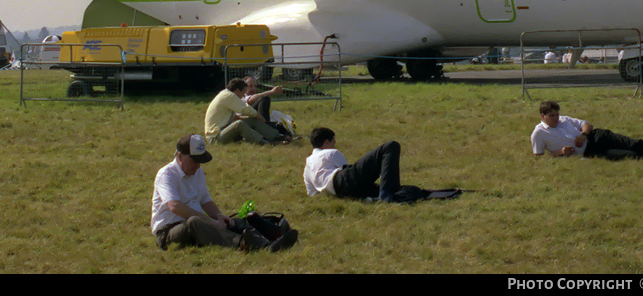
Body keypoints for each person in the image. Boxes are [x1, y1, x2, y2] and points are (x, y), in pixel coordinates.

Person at [151, 134, 298, 252]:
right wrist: (210, 221)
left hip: (199, 222)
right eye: (195, 160)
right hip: (168, 232)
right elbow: (174, 206)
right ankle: (246, 244)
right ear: (180, 156)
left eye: (200, 161)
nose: (198, 165)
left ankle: (271, 236)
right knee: (194, 222)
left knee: (234, 221)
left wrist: (220, 217)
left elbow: (206, 201)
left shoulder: (198, 172)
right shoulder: (166, 174)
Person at [303, 127, 458, 202]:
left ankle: (384, 196)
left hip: (341, 192)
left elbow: (312, 193)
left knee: (409, 190)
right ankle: (387, 195)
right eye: (333, 141)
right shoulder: (330, 153)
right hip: (343, 182)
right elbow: (348, 172)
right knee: (390, 146)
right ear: (326, 142)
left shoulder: (307, 166)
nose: (335, 144)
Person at [531, 101, 643, 160]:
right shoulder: (539, 133)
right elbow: (538, 157)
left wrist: (583, 134)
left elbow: (587, 124)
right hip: (588, 153)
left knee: (631, 143)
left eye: (557, 114)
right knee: (630, 156)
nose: (556, 118)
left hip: (595, 137)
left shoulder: (565, 120)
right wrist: (560, 152)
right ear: (543, 116)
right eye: (552, 116)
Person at [204, 78, 285, 145]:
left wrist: (250, 119)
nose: (243, 95)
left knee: (251, 120)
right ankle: (265, 143)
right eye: (243, 92)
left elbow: (234, 117)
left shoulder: (225, 95)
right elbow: (245, 109)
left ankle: (278, 136)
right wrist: (259, 116)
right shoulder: (229, 96)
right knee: (239, 124)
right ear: (237, 91)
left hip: (222, 131)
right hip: (215, 138)